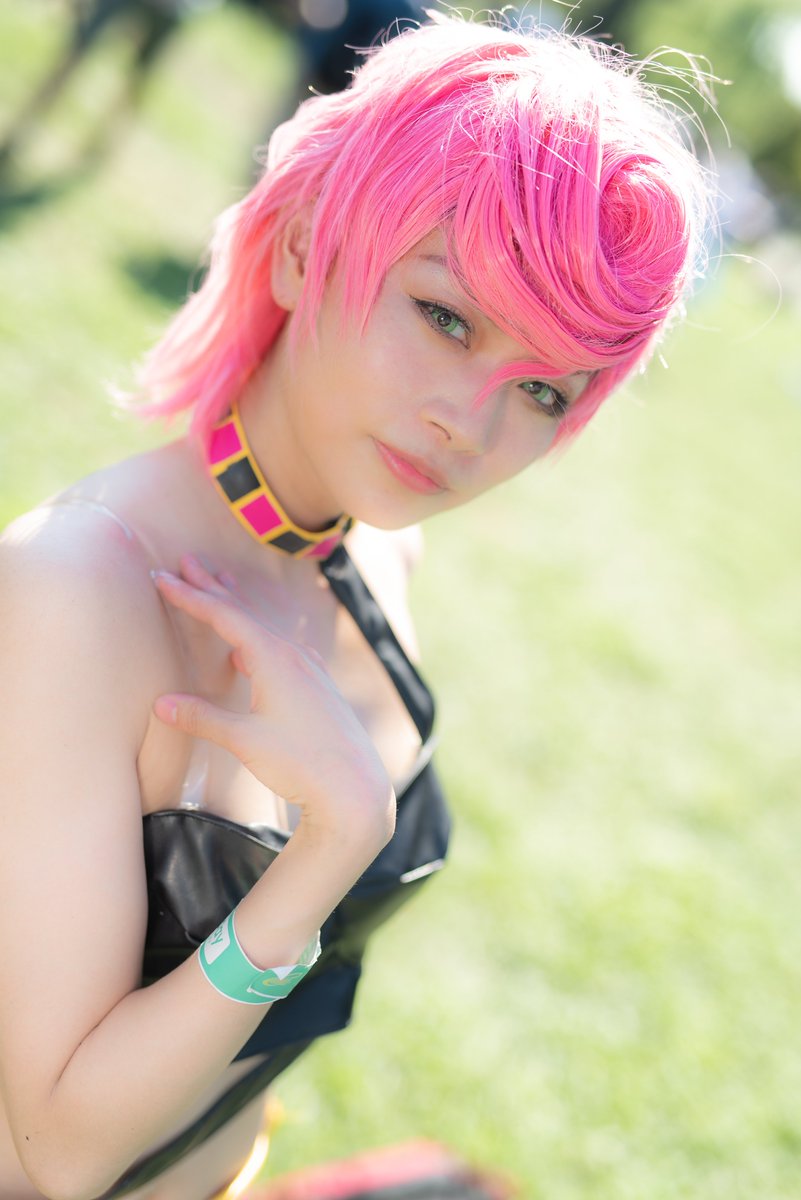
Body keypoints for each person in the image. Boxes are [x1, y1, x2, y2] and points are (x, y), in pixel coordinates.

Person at [0, 13, 712, 1200]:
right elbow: (57, 1152)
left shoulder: (382, 554)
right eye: (446, 316)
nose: (470, 424)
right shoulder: (78, 590)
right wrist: (329, 849)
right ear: (300, 247)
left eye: (543, 391)